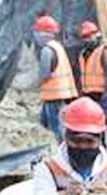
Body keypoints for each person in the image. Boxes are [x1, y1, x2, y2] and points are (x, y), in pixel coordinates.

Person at [33, 97, 107, 195]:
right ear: (66, 137)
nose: (83, 147)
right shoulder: (49, 169)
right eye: (77, 141)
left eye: (89, 141)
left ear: (100, 139)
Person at [77, 20, 107, 154]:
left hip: (102, 92)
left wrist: (106, 89)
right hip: (89, 93)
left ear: (96, 35)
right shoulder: (84, 54)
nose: (87, 39)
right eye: (85, 37)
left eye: (89, 36)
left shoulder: (103, 51)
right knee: (94, 122)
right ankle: (101, 146)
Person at [32, 15, 79, 143]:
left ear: (45, 34)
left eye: (37, 32)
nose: (35, 36)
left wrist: (37, 84)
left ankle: (62, 148)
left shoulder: (47, 50)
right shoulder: (58, 47)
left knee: (55, 126)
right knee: (45, 122)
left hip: (53, 94)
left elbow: (44, 74)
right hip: (61, 93)